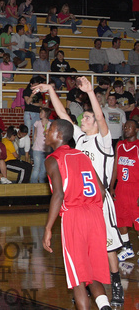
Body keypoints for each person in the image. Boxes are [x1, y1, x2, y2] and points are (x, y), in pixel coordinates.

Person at [33, 78, 124, 306]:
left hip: (95, 204)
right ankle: (101, 299)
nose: (84, 119)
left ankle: (116, 284)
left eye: (88, 117)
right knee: (92, 261)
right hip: (90, 201)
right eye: (82, 117)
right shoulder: (79, 142)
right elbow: (63, 117)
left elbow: (101, 118)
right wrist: (52, 91)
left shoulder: (103, 142)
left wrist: (91, 92)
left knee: (109, 248)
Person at [42, 119, 111, 310]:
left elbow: (58, 194)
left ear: (57, 134)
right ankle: (105, 306)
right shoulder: (82, 155)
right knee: (93, 274)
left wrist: (48, 228)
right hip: (96, 215)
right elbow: (102, 191)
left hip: (74, 216)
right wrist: (91, 209)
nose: (45, 132)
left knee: (78, 277)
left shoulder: (52, 159)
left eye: (49, 129)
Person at [112, 120, 139, 266]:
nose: (126, 128)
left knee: (138, 221)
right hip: (122, 187)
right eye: (125, 127)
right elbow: (115, 166)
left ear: (136, 129)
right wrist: (111, 186)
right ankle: (127, 247)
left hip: (136, 188)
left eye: (129, 127)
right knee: (121, 218)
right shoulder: (120, 145)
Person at [31, 107, 51, 183]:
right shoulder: (37, 123)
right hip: (37, 147)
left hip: (45, 149)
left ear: (45, 114)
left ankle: (42, 184)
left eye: (41, 112)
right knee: (36, 167)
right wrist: (33, 144)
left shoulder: (50, 124)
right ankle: (33, 184)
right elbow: (35, 134)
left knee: (44, 168)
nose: (40, 114)